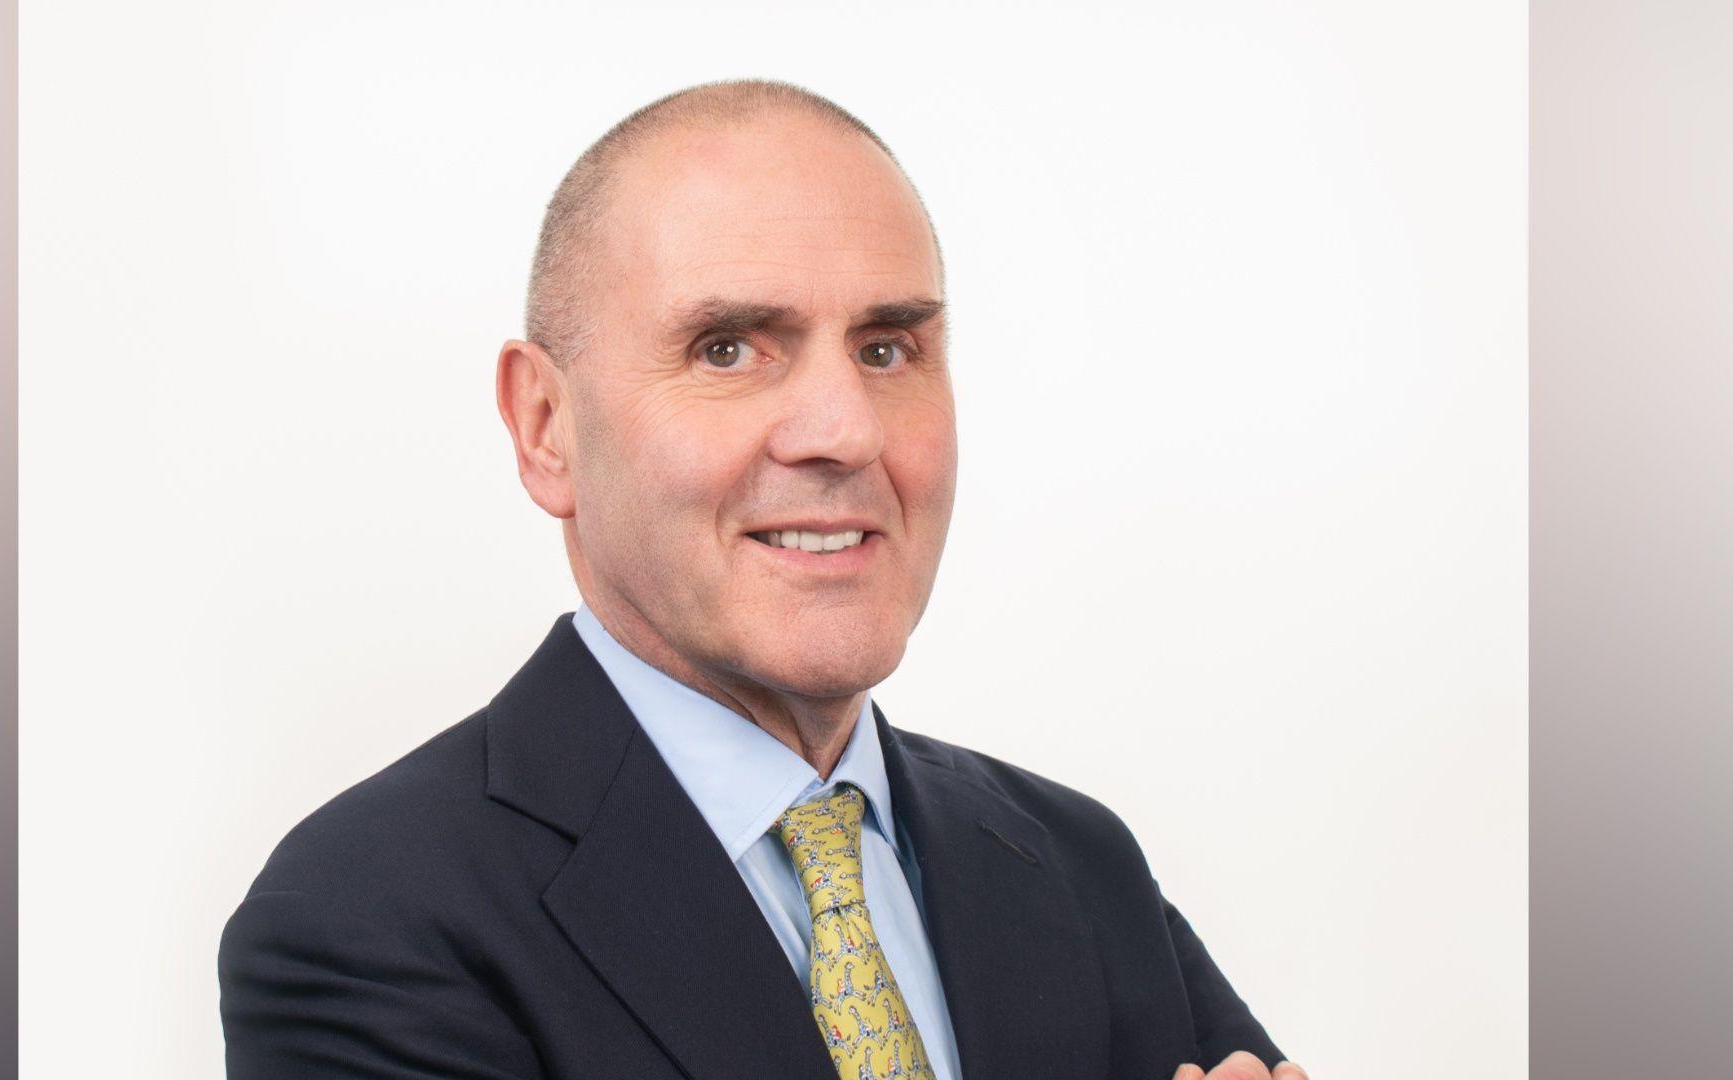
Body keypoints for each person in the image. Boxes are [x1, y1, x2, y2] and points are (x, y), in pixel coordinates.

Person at [218, 79, 1306, 1080]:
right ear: (546, 427)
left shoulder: (1076, 862)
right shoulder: (368, 917)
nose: (844, 431)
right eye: (730, 348)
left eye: (887, 349)